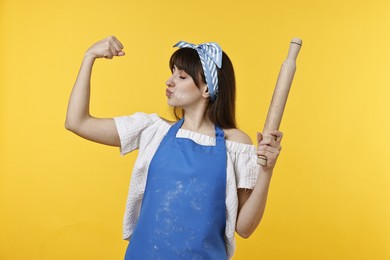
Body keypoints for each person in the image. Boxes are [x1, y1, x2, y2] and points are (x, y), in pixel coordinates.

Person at [65, 36, 283, 259]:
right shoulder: (152, 130)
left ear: (206, 88)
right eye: (172, 73)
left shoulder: (235, 145)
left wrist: (267, 170)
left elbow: (245, 228)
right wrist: (89, 57)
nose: (169, 82)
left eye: (182, 76)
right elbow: (76, 122)